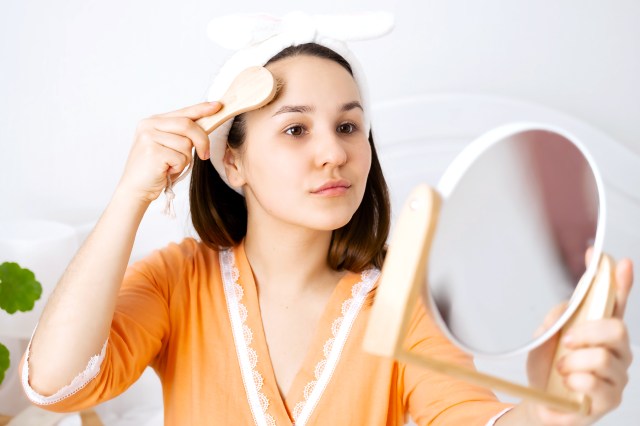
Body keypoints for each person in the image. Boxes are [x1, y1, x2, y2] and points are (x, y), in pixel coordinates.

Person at [20, 12, 633, 426]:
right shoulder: (176, 283)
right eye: (295, 128)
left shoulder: (404, 306)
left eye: (348, 126)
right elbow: (53, 384)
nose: (334, 150)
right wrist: (132, 193)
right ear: (232, 162)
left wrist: (554, 407)